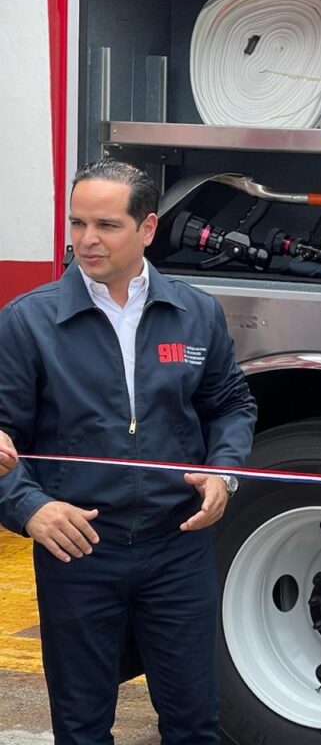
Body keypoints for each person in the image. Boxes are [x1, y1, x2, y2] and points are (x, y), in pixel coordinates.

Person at [0, 158, 257, 744]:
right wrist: (30, 508)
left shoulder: (195, 313)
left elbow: (232, 406)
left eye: (107, 225)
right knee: (83, 728)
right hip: (79, 549)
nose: (87, 240)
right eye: (77, 223)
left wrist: (224, 473)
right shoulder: (28, 322)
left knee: (194, 724)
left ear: (147, 228)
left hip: (178, 548)